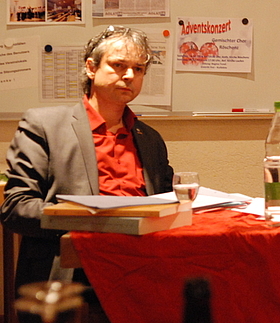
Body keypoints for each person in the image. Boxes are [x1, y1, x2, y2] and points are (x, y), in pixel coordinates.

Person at [1, 25, 174, 291]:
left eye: (138, 69)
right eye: (118, 65)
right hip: (72, 273)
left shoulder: (150, 139)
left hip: (141, 271)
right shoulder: (45, 125)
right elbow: (16, 208)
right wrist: (91, 219)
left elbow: (165, 206)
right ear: (91, 68)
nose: (129, 75)